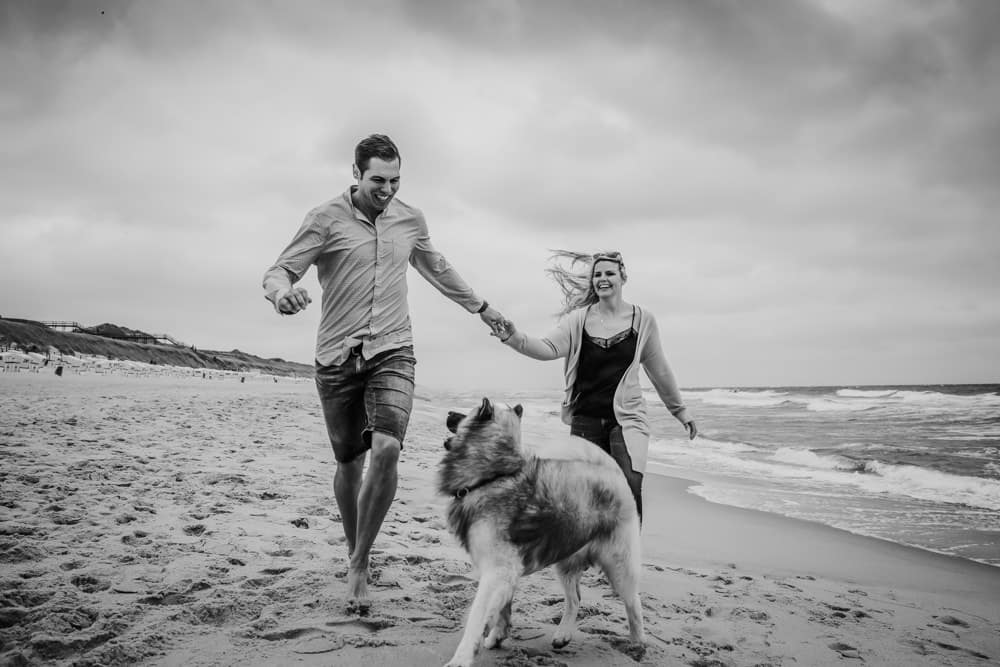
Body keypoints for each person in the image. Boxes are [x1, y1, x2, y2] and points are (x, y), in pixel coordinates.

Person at [262, 134, 505, 611]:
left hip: (393, 348)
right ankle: (357, 549)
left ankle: (358, 564)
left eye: (395, 181)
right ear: (356, 173)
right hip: (336, 355)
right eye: (378, 180)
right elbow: (279, 270)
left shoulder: (410, 219)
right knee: (349, 464)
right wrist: (279, 294)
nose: (387, 190)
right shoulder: (324, 218)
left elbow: (438, 268)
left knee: (388, 447)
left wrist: (483, 308)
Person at [495, 250, 697, 521]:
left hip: (628, 419)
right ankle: (590, 550)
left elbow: (659, 369)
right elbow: (546, 348)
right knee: (583, 493)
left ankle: (626, 555)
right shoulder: (577, 320)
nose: (603, 279)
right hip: (586, 418)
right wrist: (513, 336)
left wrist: (680, 410)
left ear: (622, 277)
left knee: (629, 485)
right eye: (598, 275)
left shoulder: (643, 320)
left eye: (609, 273)